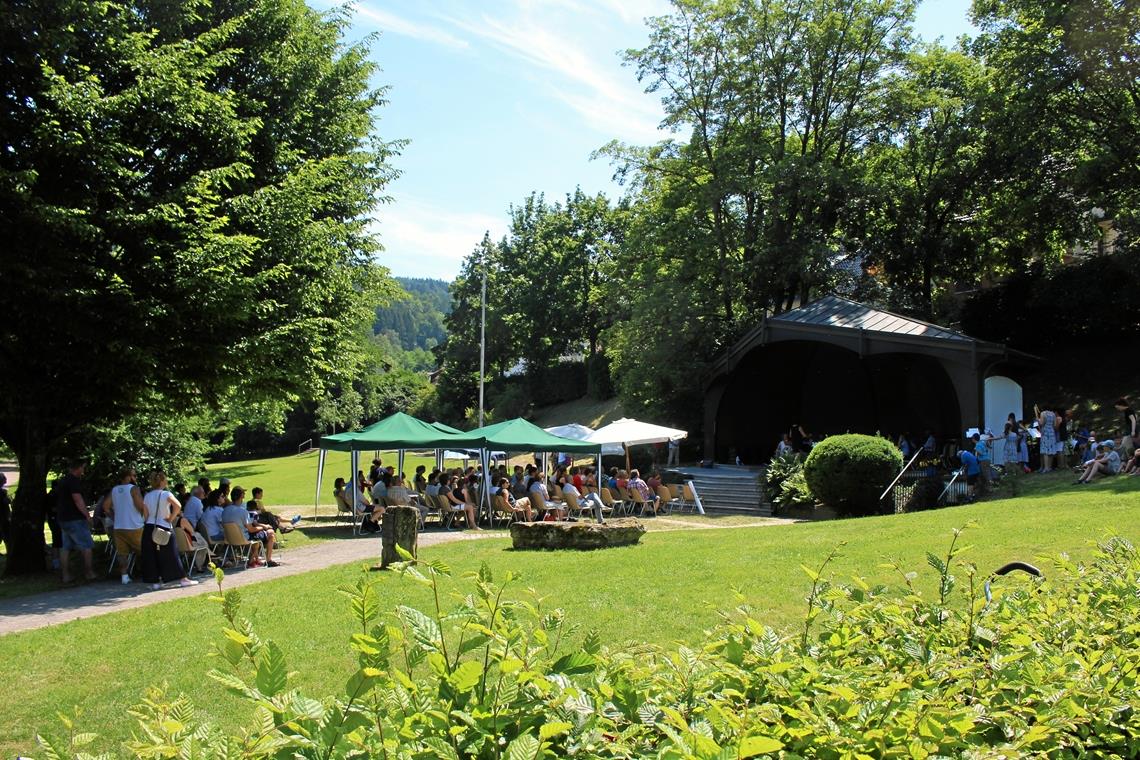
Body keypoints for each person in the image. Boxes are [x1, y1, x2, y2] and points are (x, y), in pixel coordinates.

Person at [140, 470, 197, 589]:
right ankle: (183, 578)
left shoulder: (147, 496)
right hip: (164, 527)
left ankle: (155, 581)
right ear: (161, 481)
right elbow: (178, 506)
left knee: (151, 555)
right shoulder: (165, 494)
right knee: (171, 554)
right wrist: (171, 518)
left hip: (149, 527)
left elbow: (145, 515)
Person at [104, 467, 147, 584]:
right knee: (144, 551)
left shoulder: (114, 490)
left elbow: (105, 507)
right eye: (134, 475)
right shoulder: (134, 489)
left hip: (118, 527)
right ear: (128, 477)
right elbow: (140, 506)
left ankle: (124, 576)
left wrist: (114, 516)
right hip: (134, 526)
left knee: (122, 553)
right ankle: (147, 573)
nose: (135, 478)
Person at [56, 460, 95, 584]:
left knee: (65, 547)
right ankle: (89, 573)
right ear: (77, 468)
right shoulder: (73, 482)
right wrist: (87, 516)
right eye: (82, 468)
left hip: (63, 518)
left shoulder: (63, 481)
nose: (83, 471)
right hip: (75, 519)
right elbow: (78, 500)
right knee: (87, 546)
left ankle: (66, 575)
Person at [223, 486, 279, 567]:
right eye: (243, 493)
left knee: (256, 538)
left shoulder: (225, 510)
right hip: (243, 538)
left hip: (230, 539)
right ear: (242, 496)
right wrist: (263, 527)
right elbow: (251, 529)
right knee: (270, 533)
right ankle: (268, 560)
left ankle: (253, 559)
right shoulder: (243, 511)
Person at [1038, 405, 1060, 472]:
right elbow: (1055, 425)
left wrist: (1038, 420)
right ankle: (1050, 467)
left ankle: (1046, 468)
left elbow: (1042, 423)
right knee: (1051, 450)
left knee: (1045, 451)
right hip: (1052, 433)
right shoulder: (1053, 414)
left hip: (1045, 433)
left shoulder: (1043, 413)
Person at [0, 473, 10, 555]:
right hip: (3, 516)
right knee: (6, 534)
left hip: (4, 515)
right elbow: (6, 502)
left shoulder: (3, 492)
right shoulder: (2, 493)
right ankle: (9, 550)